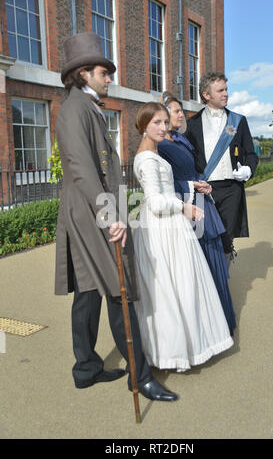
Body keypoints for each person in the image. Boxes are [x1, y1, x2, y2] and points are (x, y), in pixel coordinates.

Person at [55, 32, 178, 401]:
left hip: (90, 210)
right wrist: (111, 216)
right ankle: (139, 376)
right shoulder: (76, 108)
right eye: (103, 72)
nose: (109, 77)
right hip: (93, 214)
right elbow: (80, 166)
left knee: (90, 293)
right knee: (117, 289)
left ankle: (86, 369)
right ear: (83, 74)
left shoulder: (86, 105)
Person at [132, 102, 234, 373]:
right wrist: (184, 207)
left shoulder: (154, 154)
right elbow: (155, 202)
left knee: (183, 286)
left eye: (165, 121)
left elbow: (165, 187)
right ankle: (174, 352)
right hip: (163, 228)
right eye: (157, 122)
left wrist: (190, 185)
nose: (164, 127)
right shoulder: (146, 158)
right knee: (170, 290)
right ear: (143, 126)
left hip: (171, 226)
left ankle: (191, 345)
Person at [158, 91, 236, 335]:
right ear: (163, 115)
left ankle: (221, 323)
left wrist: (203, 182)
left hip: (202, 201)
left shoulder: (180, 141)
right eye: (177, 111)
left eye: (181, 110)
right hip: (185, 206)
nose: (182, 115)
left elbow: (194, 170)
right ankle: (206, 328)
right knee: (199, 266)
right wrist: (192, 185)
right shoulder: (161, 146)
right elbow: (163, 184)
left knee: (214, 260)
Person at [185, 72, 259, 266]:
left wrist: (248, 170)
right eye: (220, 90)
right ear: (206, 95)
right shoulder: (192, 124)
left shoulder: (237, 121)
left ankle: (223, 279)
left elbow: (251, 154)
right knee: (206, 234)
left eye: (226, 89)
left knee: (226, 235)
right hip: (204, 188)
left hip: (231, 189)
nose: (226, 94)